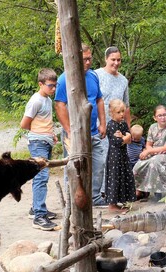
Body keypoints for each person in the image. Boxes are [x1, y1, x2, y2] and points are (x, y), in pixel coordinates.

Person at [55, 44, 107, 206]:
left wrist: (102, 123)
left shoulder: (92, 76)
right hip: (75, 133)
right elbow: (59, 105)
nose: (88, 62)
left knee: (99, 163)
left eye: (89, 58)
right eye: (85, 59)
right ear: (76, 59)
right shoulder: (65, 79)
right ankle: (72, 200)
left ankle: (95, 197)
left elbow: (98, 99)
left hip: (93, 131)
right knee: (74, 166)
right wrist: (69, 130)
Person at [20, 68, 59, 231]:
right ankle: (39, 216)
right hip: (37, 142)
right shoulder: (36, 100)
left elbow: (45, 121)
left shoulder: (48, 100)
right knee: (41, 176)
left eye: (55, 85)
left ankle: (36, 208)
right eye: (50, 86)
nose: (54, 89)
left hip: (46, 140)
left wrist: (51, 134)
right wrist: (37, 134)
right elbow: (24, 124)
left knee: (42, 175)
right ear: (40, 84)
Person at [133, 105, 166, 198]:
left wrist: (149, 152)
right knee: (138, 164)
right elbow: (149, 144)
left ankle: (158, 191)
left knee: (154, 162)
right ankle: (140, 190)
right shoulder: (152, 127)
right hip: (153, 152)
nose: (163, 118)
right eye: (160, 116)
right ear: (155, 118)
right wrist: (148, 152)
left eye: (164, 115)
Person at [104, 99, 136, 211]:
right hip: (114, 156)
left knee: (124, 175)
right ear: (112, 113)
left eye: (123, 111)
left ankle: (121, 200)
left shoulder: (122, 124)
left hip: (123, 154)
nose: (122, 114)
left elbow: (130, 138)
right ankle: (112, 205)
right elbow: (116, 142)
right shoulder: (111, 125)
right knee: (115, 177)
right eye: (118, 112)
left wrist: (125, 137)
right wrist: (125, 138)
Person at [95, 46, 131, 127]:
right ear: (106, 59)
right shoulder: (96, 75)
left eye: (118, 60)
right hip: (97, 127)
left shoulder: (123, 81)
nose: (116, 63)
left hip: (117, 129)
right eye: (113, 59)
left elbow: (126, 106)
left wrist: (128, 128)